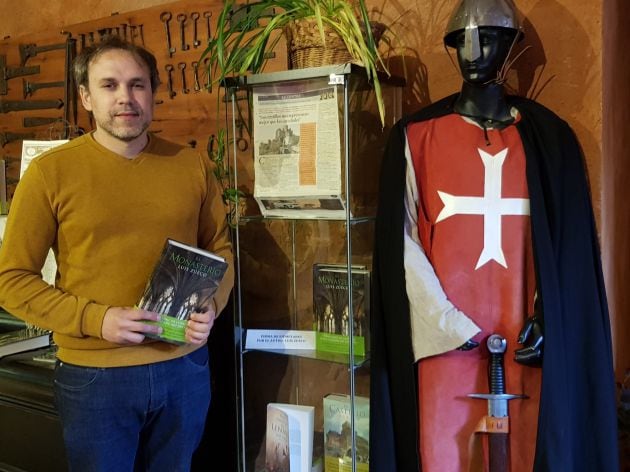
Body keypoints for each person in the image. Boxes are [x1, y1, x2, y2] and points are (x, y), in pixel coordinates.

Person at [370, 0, 618, 471]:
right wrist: (445, 324)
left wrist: (551, 317)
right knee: (441, 448)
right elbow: (399, 245)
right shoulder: (416, 138)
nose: (473, 51)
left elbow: (566, 251)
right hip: (443, 347)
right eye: (463, 39)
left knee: (534, 447)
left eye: (487, 38)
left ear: (509, 47)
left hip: (525, 339)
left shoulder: (550, 140)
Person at [0, 36, 234, 471]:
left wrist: (212, 304)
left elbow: (219, 250)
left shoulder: (191, 165)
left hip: (184, 368)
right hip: (95, 378)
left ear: (152, 94)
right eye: (109, 86)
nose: (125, 98)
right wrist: (97, 319)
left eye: (137, 85)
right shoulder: (49, 173)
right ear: (86, 98)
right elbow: (11, 281)